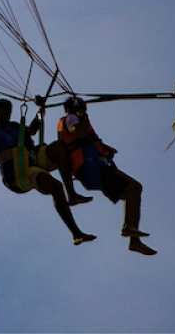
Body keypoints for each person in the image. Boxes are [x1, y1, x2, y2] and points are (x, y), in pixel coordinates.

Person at [0, 80, 96, 245]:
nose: (6, 113)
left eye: (8, 110)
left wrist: (40, 110)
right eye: (3, 110)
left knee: (60, 147)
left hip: (32, 161)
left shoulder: (15, 126)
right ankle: (76, 233)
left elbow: (33, 129)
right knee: (56, 187)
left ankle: (71, 194)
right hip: (17, 175)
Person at [55, 94, 157, 256]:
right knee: (135, 188)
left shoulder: (76, 119)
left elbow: (86, 140)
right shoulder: (71, 119)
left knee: (132, 192)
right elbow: (77, 132)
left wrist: (105, 148)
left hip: (94, 170)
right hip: (92, 169)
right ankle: (130, 230)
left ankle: (134, 240)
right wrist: (82, 116)